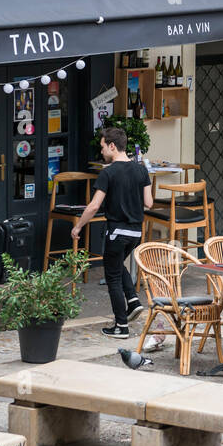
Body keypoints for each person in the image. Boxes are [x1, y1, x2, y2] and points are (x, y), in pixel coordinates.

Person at [72, 127, 153, 342]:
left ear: (112, 146)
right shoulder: (141, 169)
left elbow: (93, 206)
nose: (101, 152)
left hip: (117, 231)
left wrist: (78, 227)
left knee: (113, 276)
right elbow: (149, 202)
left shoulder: (107, 172)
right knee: (117, 266)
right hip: (136, 232)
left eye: (102, 147)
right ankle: (134, 302)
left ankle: (121, 325)